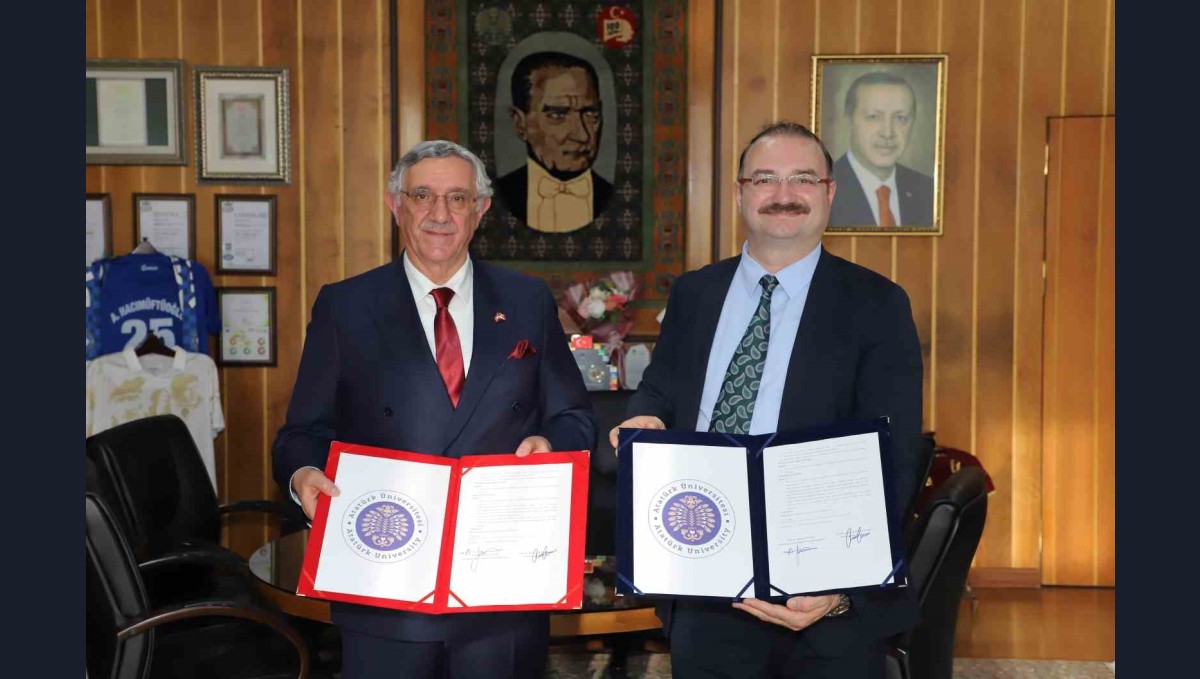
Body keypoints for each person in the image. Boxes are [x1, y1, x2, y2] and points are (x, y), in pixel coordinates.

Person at [273, 140, 596, 679]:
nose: (440, 213)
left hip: (502, 590)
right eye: (422, 195)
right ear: (394, 204)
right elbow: (300, 434)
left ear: (481, 209)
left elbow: (575, 418)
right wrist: (303, 473)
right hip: (384, 583)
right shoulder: (345, 306)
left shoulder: (527, 300)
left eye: (457, 198)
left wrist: (551, 445)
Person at [611, 121, 924, 677]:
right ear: (739, 194)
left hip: (820, 600)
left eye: (802, 178)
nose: (783, 194)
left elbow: (893, 460)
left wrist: (841, 588)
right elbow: (660, 387)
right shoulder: (695, 293)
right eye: (764, 179)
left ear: (829, 192)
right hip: (704, 583)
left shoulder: (877, 304)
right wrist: (645, 416)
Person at [496, 51, 614, 233]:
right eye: (558, 115)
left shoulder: (622, 200)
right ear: (520, 123)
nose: (582, 135)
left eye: (591, 114)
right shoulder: (496, 198)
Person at [829, 71, 934, 228]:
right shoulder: (823, 191)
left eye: (900, 118)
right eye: (874, 117)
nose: (887, 133)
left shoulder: (930, 192)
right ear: (849, 121)